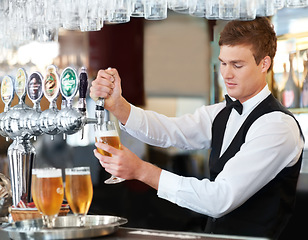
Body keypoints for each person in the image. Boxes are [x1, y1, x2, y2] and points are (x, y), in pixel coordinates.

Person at [90, 17, 304, 239]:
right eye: (223, 63)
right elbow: (170, 131)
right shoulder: (221, 112)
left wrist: (143, 171)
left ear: (264, 64)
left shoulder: (278, 127)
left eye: (237, 65)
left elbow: (220, 198)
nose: (226, 74)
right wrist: (119, 106)